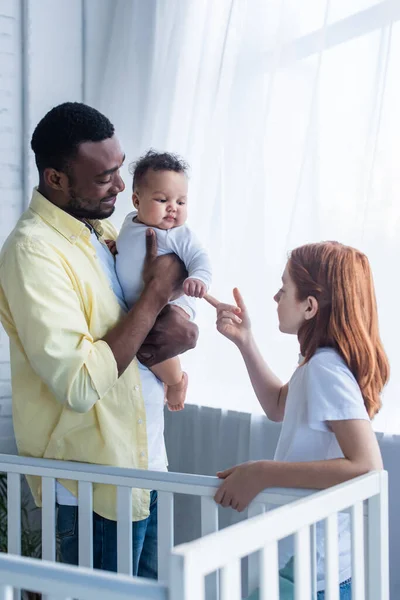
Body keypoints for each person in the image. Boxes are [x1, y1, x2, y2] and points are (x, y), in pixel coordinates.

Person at [0, 102, 198, 578]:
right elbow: (80, 382)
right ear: (56, 179)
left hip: (144, 462)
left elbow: (160, 326)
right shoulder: (33, 252)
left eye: (119, 167)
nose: (122, 186)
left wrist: (179, 324)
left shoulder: (108, 230)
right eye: (104, 177)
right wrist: (155, 297)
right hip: (90, 484)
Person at [208, 241, 388, 599]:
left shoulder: (325, 367)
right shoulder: (318, 362)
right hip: (312, 562)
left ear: (309, 306)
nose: (276, 297)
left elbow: (367, 466)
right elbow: (278, 405)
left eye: (283, 288)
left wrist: (262, 472)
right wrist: (245, 342)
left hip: (314, 569)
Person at [115, 150, 212, 411]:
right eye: (162, 199)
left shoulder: (176, 234)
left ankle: (177, 381)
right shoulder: (129, 224)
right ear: (136, 200)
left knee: (154, 343)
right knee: (142, 344)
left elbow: (199, 257)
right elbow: (130, 249)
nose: (173, 208)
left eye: (181, 202)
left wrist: (198, 278)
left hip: (172, 305)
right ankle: (171, 378)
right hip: (144, 304)